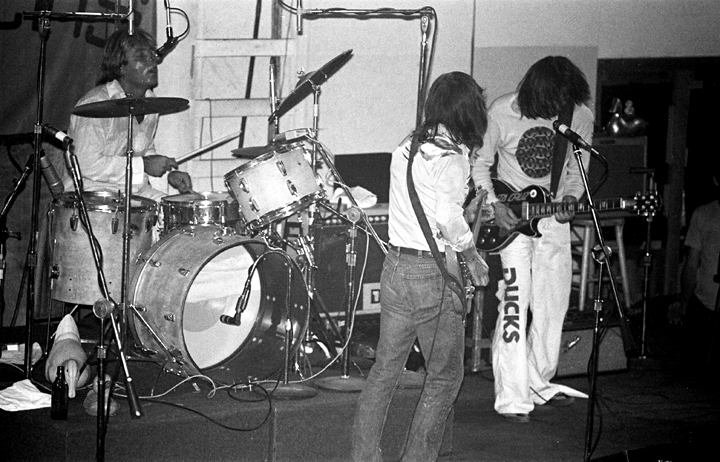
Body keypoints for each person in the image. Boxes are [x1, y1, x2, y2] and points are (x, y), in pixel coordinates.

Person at [351, 71, 489, 462]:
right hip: (431, 274)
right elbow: (446, 218)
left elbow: (426, 208)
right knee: (444, 377)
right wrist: (471, 253)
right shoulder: (453, 157)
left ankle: (364, 457)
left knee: (384, 370)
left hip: (396, 266)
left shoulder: (407, 145)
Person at [471, 56, 594, 423]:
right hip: (511, 221)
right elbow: (479, 164)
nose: (556, 108)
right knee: (514, 302)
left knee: (553, 303)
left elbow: (578, 171)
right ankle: (512, 396)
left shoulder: (578, 116)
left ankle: (538, 382)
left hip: (552, 219)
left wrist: (571, 197)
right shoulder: (502, 111)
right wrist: (494, 206)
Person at [63, 27, 192, 201]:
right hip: (93, 196)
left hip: (135, 192)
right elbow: (86, 164)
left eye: (152, 55)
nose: (152, 62)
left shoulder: (150, 101)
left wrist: (168, 172)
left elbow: (142, 147)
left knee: (187, 207)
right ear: (121, 67)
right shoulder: (95, 103)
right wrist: (144, 165)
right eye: (141, 57)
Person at [667, 161, 720, 367]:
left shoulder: (703, 213)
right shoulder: (704, 213)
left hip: (708, 307)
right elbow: (691, 266)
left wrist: (684, 304)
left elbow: (691, 265)